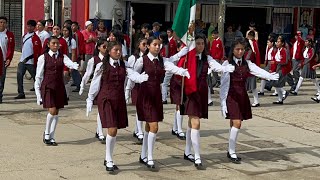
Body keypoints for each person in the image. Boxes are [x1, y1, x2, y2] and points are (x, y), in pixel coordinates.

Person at [86, 41, 149, 172]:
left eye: (120, 50)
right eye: (116, 50)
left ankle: (108, 157)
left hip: (119, 100)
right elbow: (95, 83)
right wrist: (90, 99)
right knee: (112, 129)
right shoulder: (101, 66)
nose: (119, 52)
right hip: (106, 99)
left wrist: (141, 77)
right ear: (109, 51)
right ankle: (109, 159)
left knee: (114, 131)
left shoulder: (124, 65)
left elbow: (133, 75)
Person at [131, 36, 190, 169]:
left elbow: (172, 66)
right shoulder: (142, 60)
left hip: (156, 96)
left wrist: (183, 71)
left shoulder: (162, 61)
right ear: (148, 46)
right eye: (155, 44)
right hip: (145, 95)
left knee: (149, 126)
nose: (157, 47)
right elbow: (133, 75)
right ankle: (150, 157)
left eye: (159, 45)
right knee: (154, 126)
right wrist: (128, 90)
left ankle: (143, 154)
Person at [179, 34, 235, 169]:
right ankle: (197, 156)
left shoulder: (207, 58)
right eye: (197, 43)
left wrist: (225, 68)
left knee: (191, 122)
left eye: (202, 44)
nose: (200, 46)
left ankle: (187, 151)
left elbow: (216, 66)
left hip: (202, 93)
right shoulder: (188, 57)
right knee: (195, 123)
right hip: (191, 92)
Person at [220, 38, 279, 164]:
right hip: (232, 96)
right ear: (233, 50)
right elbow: (223, 85)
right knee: (237, 123)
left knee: (234, 122)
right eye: (237, 49)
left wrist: (269, 76)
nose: (240, 52)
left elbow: (258, 71)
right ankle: (232, 152)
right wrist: (223, 102)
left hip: (242, 96)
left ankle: (230, 149)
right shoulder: (227, 64)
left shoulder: (247, 63)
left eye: (242, 49)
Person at [34, 36, 79, 146]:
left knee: (56, 112)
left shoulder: (62, 56)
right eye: (53, 43)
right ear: (48, 44)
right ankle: (47, 133)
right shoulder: (43, 58)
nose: (56, 45)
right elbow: (38, 77)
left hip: (59, 86)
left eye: (57, 43)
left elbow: (69, 63)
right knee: (52, 110)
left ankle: (52, 136)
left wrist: (75, 66)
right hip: (48, 86)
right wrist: (38, 94)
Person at [79, 38, 108, 142]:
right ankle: (100, 133)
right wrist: (82, 84)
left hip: (107, 86)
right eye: (104, 46)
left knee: (104, 109)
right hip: (98, 87)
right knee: (101, 109)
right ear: (99, 47)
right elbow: (88, 74)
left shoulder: (110, 59)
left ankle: (98, 130)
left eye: (107, 46)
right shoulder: (94, 60)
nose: (106, 49)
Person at [125, 38, 148, 143]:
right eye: (143, 44)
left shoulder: (149, 57)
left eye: (147, 44)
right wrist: (127, 90)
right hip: (137, 86)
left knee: (144, 109)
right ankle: (139, 131)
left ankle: (136, 129)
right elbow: (130, 75)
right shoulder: (133, 58)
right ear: (138, 45)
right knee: (140, 109)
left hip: (147, 86)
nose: (146, 46)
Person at [15, 19, 41, 99]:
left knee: (36, 78)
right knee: (19, 77)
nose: (29, 28)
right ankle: (21, 93)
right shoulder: (25, 36)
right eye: (28, 26)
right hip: (22, 61)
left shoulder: (36, 38)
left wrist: (29, 58)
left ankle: (40, 93)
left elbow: (37, 51)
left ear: (34, 27)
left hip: (31, 62)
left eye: (31, 26)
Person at [270, 36, 290, 104]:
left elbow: (285, 61)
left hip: (282, 69)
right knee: (277, 84)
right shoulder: (278, 50)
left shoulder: (284, 50)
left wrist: (276, 62)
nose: (277, 43)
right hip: (278, 68)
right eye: (277, 42)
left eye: (278, 42)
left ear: (282, 43)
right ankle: (280, 99)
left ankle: (284, 92)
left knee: (276, 83)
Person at [0, 16, 15, 103]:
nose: (2, 24)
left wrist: (9, 59)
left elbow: (11, 48)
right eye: (0, 22)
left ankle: (0, 96)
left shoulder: (9, 35)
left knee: (1, 80)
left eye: (4, 22)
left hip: (3, 61)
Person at [161, 28, 178, 104]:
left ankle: (164, 98)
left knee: (165, 83)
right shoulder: (166, 44)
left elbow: (167, 55)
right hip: (170, 63)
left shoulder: (168, 44)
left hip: (169, 63)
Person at [246, 31, 261, 107]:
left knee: (253, 86)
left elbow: (256, 56)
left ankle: (256, 101)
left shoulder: (253, 46)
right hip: (247, 70)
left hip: (251, 69)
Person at [71, 21, 85, 89]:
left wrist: (80, 54)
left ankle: (78, 84)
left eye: (74, 26)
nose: (72, 27)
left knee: (75, 69)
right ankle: (76, 82)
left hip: (76, 54)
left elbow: (80, 45)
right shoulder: (74, 34)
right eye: (72, 26)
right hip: (75, 54)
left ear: (77, 26)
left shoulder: (78, 34)